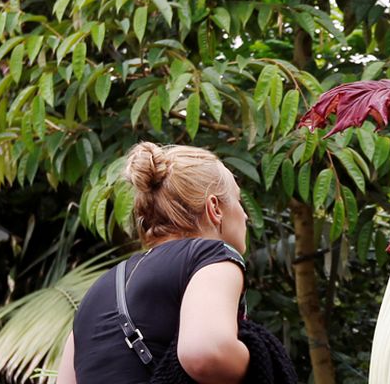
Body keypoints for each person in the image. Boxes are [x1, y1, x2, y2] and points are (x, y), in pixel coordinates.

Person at [58, 142, 253, 384]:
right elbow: (205, 354)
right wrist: (258, 356)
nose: (245, 215)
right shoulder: (211, 257)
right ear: (214, 208)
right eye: (237, 200)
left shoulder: (95, 293)